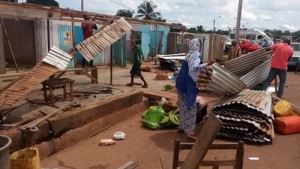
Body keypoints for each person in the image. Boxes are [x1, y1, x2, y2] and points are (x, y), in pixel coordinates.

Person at [176, 38, 214, 140]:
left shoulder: (189, 54)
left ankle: (181, 127)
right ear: (198, 46)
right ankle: (190, 133)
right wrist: (207, 64)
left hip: (180, 83)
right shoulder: (195, 55)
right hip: (188, 85)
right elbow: (194, 68)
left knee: (183, 107)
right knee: (191, 108)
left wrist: (207, 72)